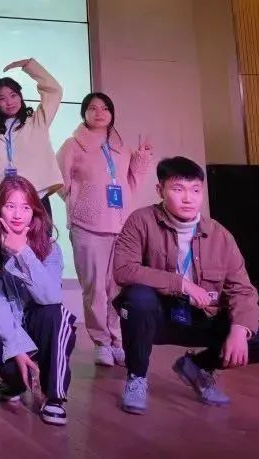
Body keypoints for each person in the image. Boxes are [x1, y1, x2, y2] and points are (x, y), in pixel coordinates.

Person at [113, 156, 259, 415]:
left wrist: (240, 329)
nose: (188, 198)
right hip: (158, 318)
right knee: (138, 298)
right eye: (178, 189)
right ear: (160, 190)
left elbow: (242, 290)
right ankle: (137, 377)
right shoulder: (141, 221)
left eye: (195, 190)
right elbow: (124, 270)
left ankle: (198, 367)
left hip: (203, 317)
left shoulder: (220, 235)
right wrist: (181, 284)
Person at [56, 92, 152, 367]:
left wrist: (142, 159)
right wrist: (81, 202)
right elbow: (59, 182)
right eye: (92, 108)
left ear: (112, 114)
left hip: (121, 226)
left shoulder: (121, 148)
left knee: (117, 288)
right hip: (88, 227)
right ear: (84, 113)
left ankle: (117, 339)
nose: (99, 112)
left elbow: (131, 182)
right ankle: (101, 342)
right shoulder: (72, 145)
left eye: (105, 108)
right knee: (94, 289)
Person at [0, 176, 76, 426]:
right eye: (10, 206)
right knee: (10, 369)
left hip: (37, 324)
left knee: (56, 313)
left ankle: (54, 397)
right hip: (7, 331)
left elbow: (51, 297)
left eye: (25, 207)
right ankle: (11, 382)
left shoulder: (50, 248)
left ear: (35, 212)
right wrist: (17, 348)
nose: (17, 215)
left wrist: (23, 252)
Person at [0, 58, 63, 208]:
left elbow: (54, 90)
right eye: (2, 98)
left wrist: (29, 65)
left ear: (20, 96)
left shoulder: (37, 121)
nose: (9, 102)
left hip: (36, 195)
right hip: (4, 199)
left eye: (13, 95)